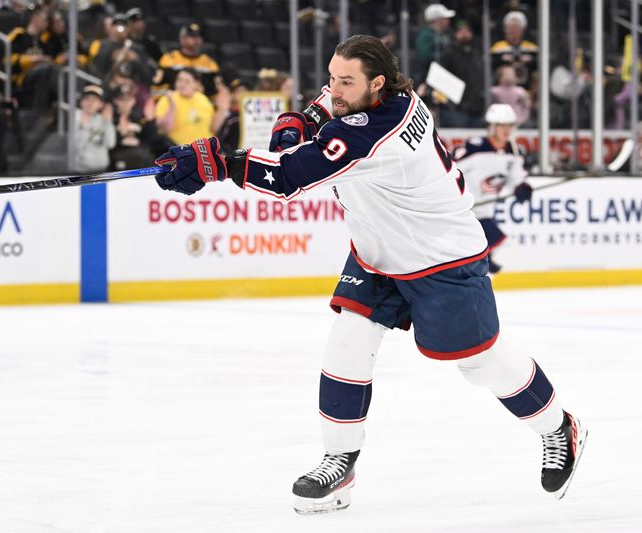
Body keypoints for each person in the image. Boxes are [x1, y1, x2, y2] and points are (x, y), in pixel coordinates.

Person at [151, 34, 587, 514]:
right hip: (378, 252)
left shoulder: (376, 134)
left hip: (442, 259)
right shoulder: (383, 93)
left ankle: (558, 428)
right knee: (347, 341)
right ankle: (340, 463)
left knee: (479, 364)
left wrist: (214, 162)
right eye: (333, 76)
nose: (334, 88)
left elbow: (288, 177)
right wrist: (299, 121)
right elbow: (322, 110)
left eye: (346, 81)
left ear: (376, 83)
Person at [452, 104, 531, 274]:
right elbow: (449, 169)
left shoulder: (513, 152)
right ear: (492, 126)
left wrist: (521, 187)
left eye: (510, 125)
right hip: (466, 213)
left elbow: (517, 177)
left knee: (491, 257)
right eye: (502, 125)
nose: (506, 130)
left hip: (485, 214)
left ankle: (482, 288)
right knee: (503, 249)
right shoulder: (475, 147)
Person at [154, 68, 227, 146]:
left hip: (205, 148)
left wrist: (222, 109)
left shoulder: (203, 98)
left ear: (196, 84)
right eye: (179, 80)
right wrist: (172, 106)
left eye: (187, 81)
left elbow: (213, 128)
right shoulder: (168, 98)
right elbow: (165, 129)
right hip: (180, 149)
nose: (182, 84)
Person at [153, 23, 219, 98]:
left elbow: (217, 91)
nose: (196, 40)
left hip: (201, 105)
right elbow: (155, 89)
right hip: (174, 103)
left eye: (198, 36)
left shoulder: (209, 63)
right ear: (182, 39)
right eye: (192, 37)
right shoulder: (169, 59)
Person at [437, 20, 484, 128]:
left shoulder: (478, 51)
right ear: (455, 34)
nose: (464, 33)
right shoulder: (449, 52)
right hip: (456, 107)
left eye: (467, 30)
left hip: (476, 106)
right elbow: (439, 76)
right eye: (461, 31)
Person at [490, 11, 538, 90]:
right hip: (503, 88)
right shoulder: (497, 47)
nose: (512, 31)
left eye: (515, 28)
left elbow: (541, 63)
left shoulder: (531, 48)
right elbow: (489, 63)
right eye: (509, 28)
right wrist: (502, 60)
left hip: (527, 87)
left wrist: (531, 60)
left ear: (522, 30)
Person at [73, 84, 116, 173]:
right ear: (81, 102)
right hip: (80, 172)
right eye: (87, 99)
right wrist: (84, 126)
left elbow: (111, 144)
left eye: (95, 100)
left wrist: (108, 122)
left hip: (102, 171)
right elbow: (77, 146)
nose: (90, 103)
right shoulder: (74, 118)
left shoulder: (103, 119)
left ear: (101, 104)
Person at [414, 3, 455, 80]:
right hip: (429, 76)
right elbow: (424, 56)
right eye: (445, 18)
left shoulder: (444, 34)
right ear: (438, 20)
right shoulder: (425, 35)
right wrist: (446, 56)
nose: (448, 21)